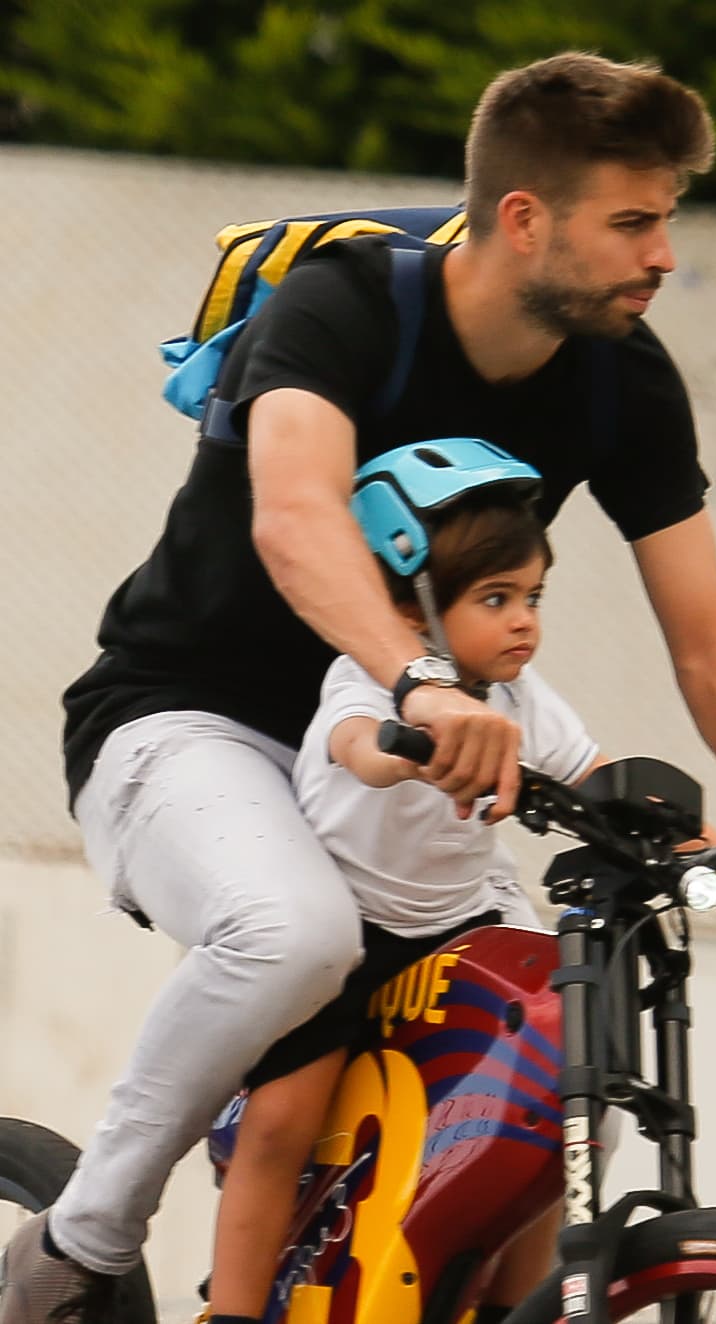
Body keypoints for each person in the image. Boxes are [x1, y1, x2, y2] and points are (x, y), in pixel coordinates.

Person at [0, 50, 716, 1324]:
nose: (665, 255)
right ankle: (75, 1249)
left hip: (421, 772)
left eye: (667, 218)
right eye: (633, 220)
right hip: (189, 722)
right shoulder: (346, 308)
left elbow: (705, 635)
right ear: (524, 217)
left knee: (550, 1040)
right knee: (292, 932)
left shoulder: (620, 379)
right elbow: (295, 520)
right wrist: (413, 675)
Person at [211, 438, 606, 1322]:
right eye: (495, 599)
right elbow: (358, 746)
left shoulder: (522, 698)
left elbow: (595, 773)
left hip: (459, 926)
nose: (524, 623)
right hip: (350, 928)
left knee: (549, 1098)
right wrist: (410, 755)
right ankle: (231, 1312)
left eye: (533, 598)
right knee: (284, 1118)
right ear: (411, 606)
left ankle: (512, 1305)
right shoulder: (366, 679)